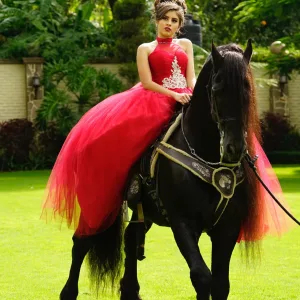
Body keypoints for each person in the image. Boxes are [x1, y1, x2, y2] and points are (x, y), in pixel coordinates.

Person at [42, 0, 195, 236]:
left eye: (174, 21)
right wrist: (174, 94)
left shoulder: (185, 44)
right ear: (156, 20)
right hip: (156, 99)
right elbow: (147, 82)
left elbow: (191, 78)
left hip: (185, 97)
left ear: (179, 25)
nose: (169, 23)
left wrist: (192, 94)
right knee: (134, 139)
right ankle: (134, 184)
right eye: (165, 18)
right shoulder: (145, 48)